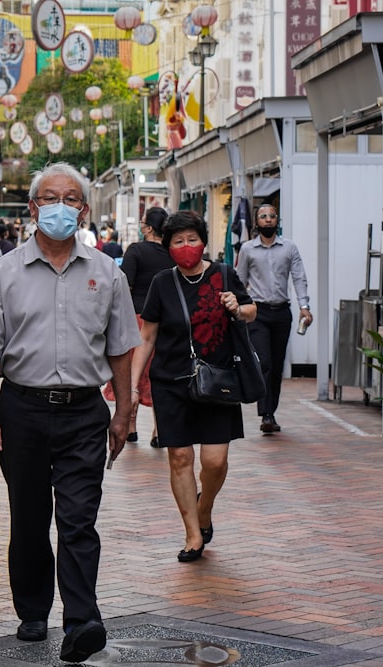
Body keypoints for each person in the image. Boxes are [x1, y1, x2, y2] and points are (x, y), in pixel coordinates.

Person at [0, 162, 140, 663]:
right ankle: (33, 609)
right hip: (22, 411)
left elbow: (121, 348)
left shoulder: (107, 273)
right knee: (31, 518)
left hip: (84, 413)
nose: (62, 206)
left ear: (83, 209)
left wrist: (125, 410)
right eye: (51, 197)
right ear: (34, 208)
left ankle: (82, 620)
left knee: (79, 518)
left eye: (72, 198)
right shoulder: (3, 273)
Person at [130, 211, 256, 562]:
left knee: (215, 461)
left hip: (217, 381)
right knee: (180, 457)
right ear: (169, 247)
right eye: (178, 241)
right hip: (171, 381)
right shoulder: (162, 283)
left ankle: (205, 508)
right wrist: (133, 386)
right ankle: (192, 534)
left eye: (192, 239)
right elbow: (147, 335)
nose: (186, 247)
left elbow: (252, 310)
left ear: (203, 241)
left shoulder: (224, 275)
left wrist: (238, 308)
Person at [234, 203, 312, 434]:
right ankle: (265, 412)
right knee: (264, 361)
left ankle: (271, 413)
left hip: (282, 312)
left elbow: (299, 277)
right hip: (257, 312)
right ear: (256, 222)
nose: (268, 219)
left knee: (277, 365)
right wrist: (240, 308)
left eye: (272, 216)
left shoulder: (289, 248)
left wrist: (304, 306)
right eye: (263, 216)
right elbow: (240, 280)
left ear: (277, 220)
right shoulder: (247, 249)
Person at [120, 207, 175, 446]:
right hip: (167, 320)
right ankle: (158, 429)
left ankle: (131, 427)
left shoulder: (136, 251)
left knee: (135, 373)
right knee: (159, 373)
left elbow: (124, 285)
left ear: (149, 228)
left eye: (143, 222)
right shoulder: (172, 253)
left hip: (138, 318)